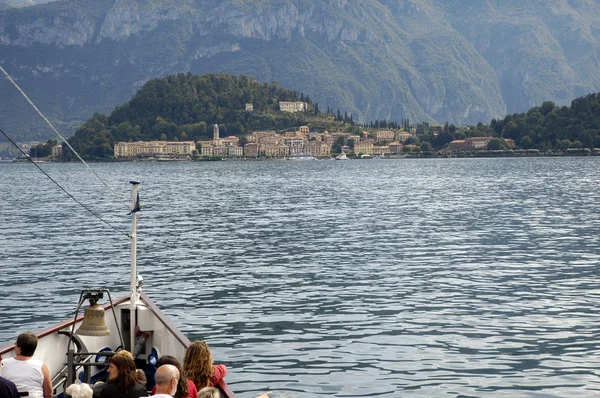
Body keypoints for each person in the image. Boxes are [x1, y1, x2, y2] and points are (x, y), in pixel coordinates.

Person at [0, 332, 52, 398]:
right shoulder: (41, 366)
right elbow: (49, 394)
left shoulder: (3, 363)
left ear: (19, 349)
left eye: (16, 344)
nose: (14, 345)